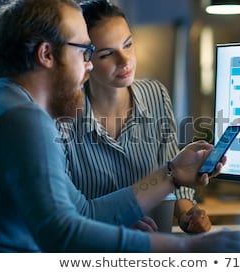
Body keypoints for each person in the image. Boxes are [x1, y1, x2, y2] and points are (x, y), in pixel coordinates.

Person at [0, 0, 240, 252]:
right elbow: (64, 236)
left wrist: (172, 174)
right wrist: (188, 251)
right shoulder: (21, 118)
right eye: (85, 51)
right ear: (47, 54)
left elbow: (82, 214)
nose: (88, 65)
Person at [58, 0, 211, 233]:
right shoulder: (62, 116)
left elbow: (173, 175)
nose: (125, 60)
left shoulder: (155, 95)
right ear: (85, 61)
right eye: (108, 54)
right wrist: (113, 223)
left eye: (128, 44)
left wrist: (187, 213)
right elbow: (63, 212)